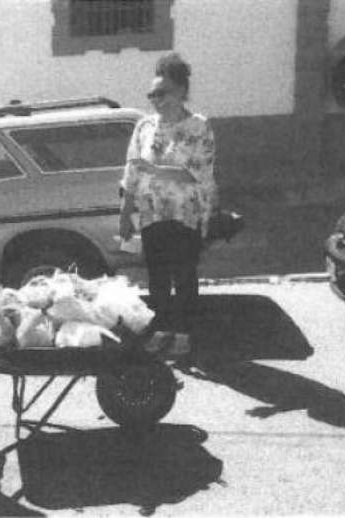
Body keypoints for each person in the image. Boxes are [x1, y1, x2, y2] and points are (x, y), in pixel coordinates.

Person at [119, 53, 217, 345]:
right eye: (152, 94)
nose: (156, 100)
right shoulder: (145, 127)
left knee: (185, 277)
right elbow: (131, 171)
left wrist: (156, 170)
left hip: (185, 215)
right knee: (158, 280)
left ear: (182, 92)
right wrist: (125, 214)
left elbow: (198, 174)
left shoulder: (199, 127)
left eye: (162, 93)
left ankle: (186, 337)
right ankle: (161, 335)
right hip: (152, 216)